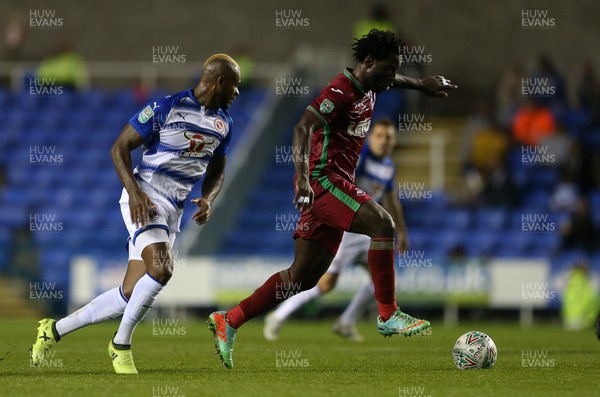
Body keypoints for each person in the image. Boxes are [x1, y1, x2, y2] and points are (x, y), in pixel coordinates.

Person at [207, 29, 456, 369]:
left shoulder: (373, 82)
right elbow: (302, 127)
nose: (390, 76)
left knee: (302, 277)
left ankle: (230, 320)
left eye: (393, 69)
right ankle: (387, 313)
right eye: (387, 69)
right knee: (383, 224)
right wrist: (305, 181)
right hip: (324, 181)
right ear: (368, 63)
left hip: (332, 184)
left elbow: (391, 78)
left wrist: (420, 84)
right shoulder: (341, 90)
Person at [30, 54, 241, 374]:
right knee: (162, 270)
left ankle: (52, 330)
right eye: (235, 85)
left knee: (129, 294)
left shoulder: (224, 123)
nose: (237, 93)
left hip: (175, 209)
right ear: (218, 82)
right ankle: (121, 345)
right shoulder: (165, 108)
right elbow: (119, 148)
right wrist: (134, 192)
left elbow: (217, 169)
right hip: (146, 199)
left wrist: (208, 198)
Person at [263, 118, 408, 342]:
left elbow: (391, 199)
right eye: (379, 136)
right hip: (349, 230)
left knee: (380, 280)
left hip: (370, 232)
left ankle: (346, 322)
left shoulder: (389, 167)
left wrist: (402, 232)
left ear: (394, 141)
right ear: (370, 138)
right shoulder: (360, 158)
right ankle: (278, 315)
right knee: (325, 283)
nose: (383, 141)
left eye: (388, 137)